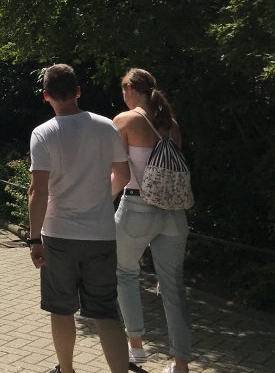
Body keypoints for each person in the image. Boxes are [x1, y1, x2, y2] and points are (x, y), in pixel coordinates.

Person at [28, 64, 131, 373]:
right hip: (101, 233)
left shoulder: (43, 133)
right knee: (105, 310)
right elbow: (123, 174)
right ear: (78, 91)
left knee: (61, 309)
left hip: (59, 234)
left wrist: (34, 239)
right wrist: (102, 198)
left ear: (46, 96)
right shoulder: (105, 127)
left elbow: (38, 191)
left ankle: (67, 369)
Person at [113, 69, 191, 373]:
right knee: (174, 286)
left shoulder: (125, 120)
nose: (123, 96)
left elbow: (116, 169)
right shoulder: (171, 125)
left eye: (123, 89)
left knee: (124, 272)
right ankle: (180, 364)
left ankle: (136, 349)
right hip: (174, 213)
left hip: (137, 206)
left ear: (131, 88)